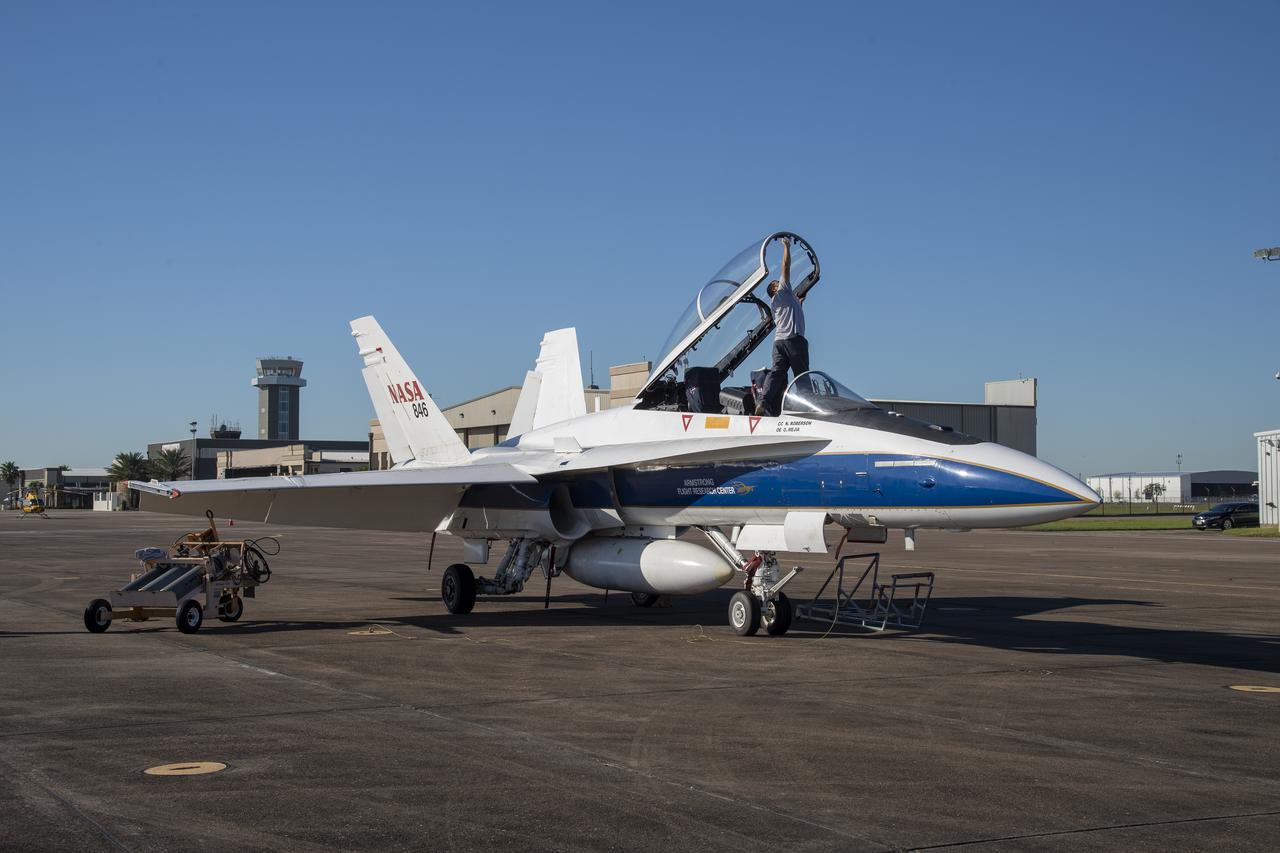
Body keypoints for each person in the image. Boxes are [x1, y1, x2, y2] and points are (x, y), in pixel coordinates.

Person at [757, 236, 808, 416]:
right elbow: (785, 266)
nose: (780, 282)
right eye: (776, 283)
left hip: (779, 343)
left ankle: (763, 403)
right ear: (774, 289)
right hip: (794, 341)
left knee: (776, 375)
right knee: (802, 376)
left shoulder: (778, 302)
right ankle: (807, 407)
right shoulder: (783, 291)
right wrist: (786, 246)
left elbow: (789, 315)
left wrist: (799, 304)